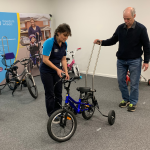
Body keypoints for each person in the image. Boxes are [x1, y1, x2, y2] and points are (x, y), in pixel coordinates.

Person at [94, 7, 150, 112]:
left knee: (134, 83)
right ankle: (126, 100)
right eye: (124, 18)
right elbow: (113, 40)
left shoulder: (141, 29)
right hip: (121, 60)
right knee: (120, 81)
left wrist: (146, 61)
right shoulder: (120, 28)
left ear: (134, 16)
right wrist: (101, 42)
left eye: (128, 19)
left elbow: (147, 46)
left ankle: (133, 102)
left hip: (135, 60)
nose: (126, 21)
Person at [40, 23, 71, 117]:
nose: (66, 38)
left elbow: (63, 59)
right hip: (46, 71)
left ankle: (58, 112)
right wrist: (58, 69)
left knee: (58, 92)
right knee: (50, 93)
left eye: (67, 36)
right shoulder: (49, 42)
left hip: (57, 71)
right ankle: (52, 115)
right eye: (64, 35)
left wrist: (65, 71)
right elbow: (45, 60)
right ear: (58, 33)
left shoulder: (65, 44)